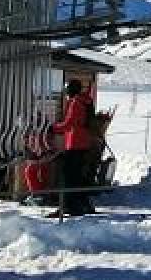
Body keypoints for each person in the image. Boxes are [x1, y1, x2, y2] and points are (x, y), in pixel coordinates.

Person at [50, 79, 94, 216]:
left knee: (67, 176)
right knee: (78, 176)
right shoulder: (86, 101)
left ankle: (67, 206)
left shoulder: (76, 102)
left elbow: (69, 123)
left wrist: (53, 128)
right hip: (84, 142)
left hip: (74, 142)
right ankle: (82, 204)